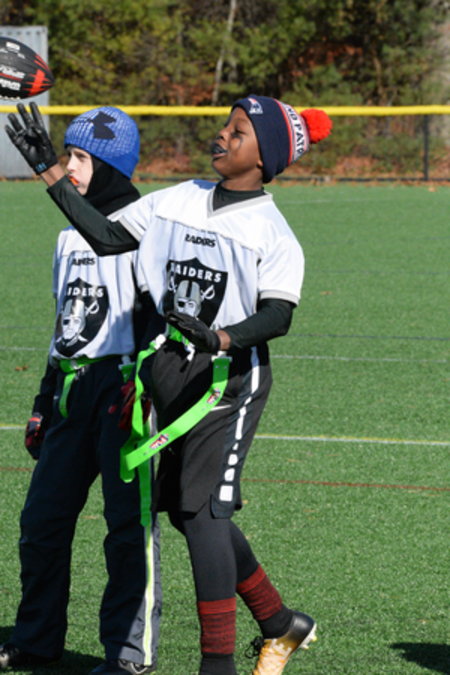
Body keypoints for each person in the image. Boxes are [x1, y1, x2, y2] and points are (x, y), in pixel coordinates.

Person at [5, 95, 332, 675]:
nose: (222, 135)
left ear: (264, 157)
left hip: (224, 383)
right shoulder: (179, 198)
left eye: (237, 131)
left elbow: (278, 315)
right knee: (182, 514)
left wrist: (220, 338)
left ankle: (202, 663)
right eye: (225, 126)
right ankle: (279, 621)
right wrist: (47, 171)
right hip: (165, 376)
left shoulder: (271, 231)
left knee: (199, 517)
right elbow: (107, 238)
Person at [1, 106, 163, 675]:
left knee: (127, 530)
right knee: (41, 523)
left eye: (81, 158)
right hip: (71, 392)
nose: (69, 167)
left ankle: (128, 652)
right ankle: (35, 639)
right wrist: (42, 402)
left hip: (121, 394)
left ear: (112, 166)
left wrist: (146, 385)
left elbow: (158, 320)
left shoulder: (144, 228)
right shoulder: (68, 234)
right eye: (67, 155)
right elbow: (63, 327)